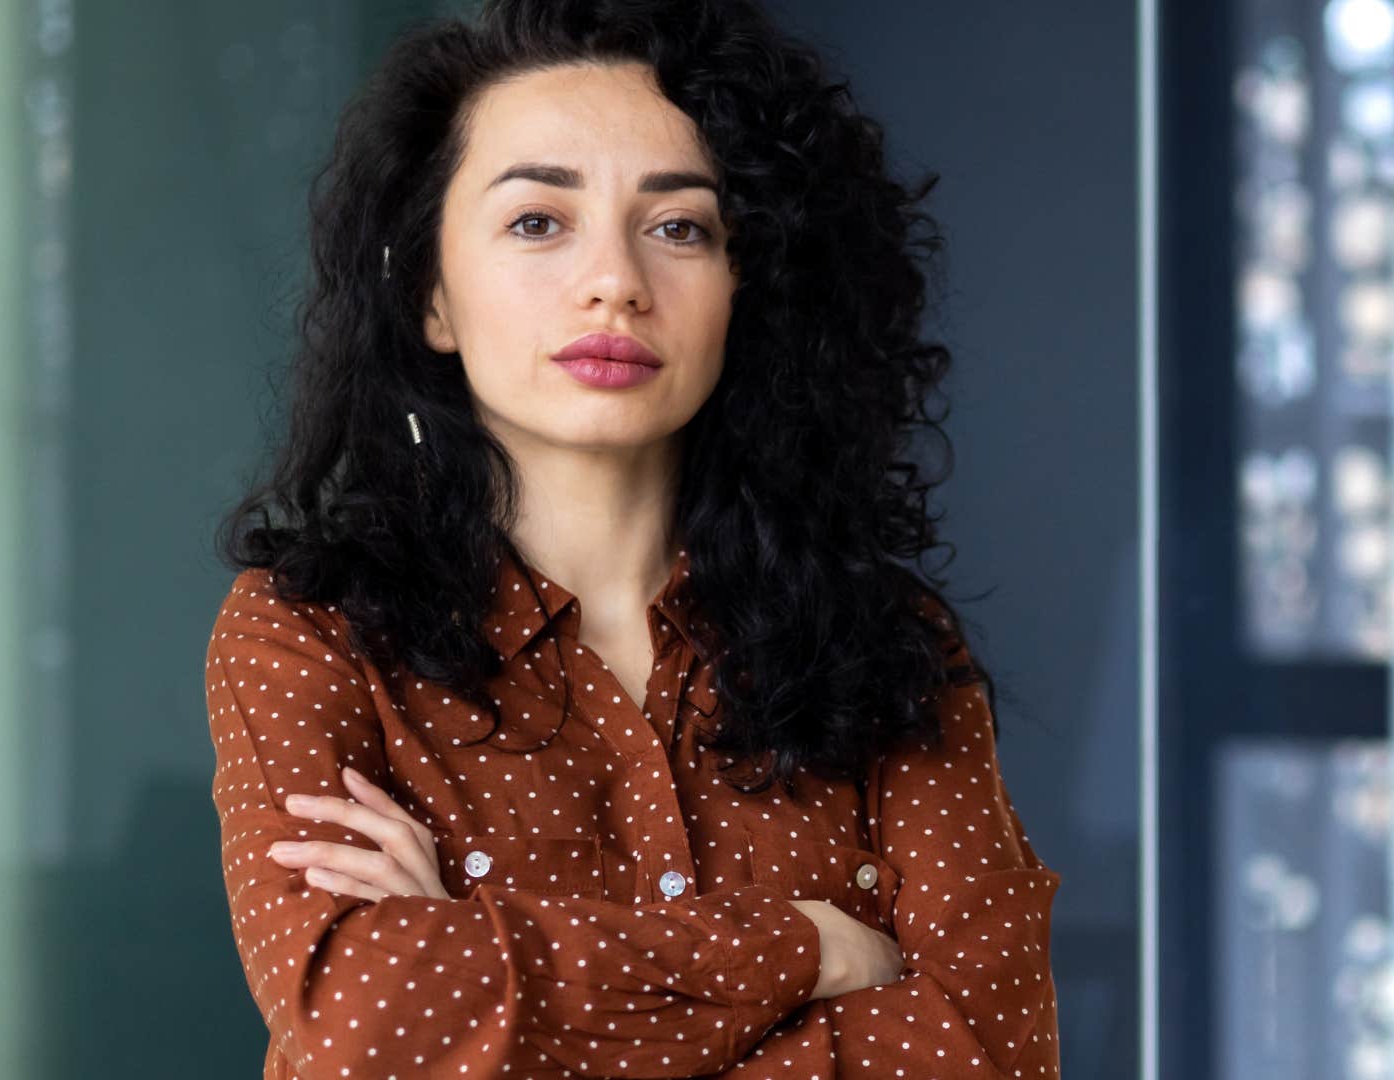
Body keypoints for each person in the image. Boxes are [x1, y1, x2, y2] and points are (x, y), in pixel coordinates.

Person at [203, 0, 1063, 1075]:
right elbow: (366, 1025)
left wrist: (477, 966)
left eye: (679, 227)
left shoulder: (892, 647)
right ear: (432, 295)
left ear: (748, 291)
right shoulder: (311, 637)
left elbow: (989, 1051)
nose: (615, 280)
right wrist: (807, 947)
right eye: (537, 222)